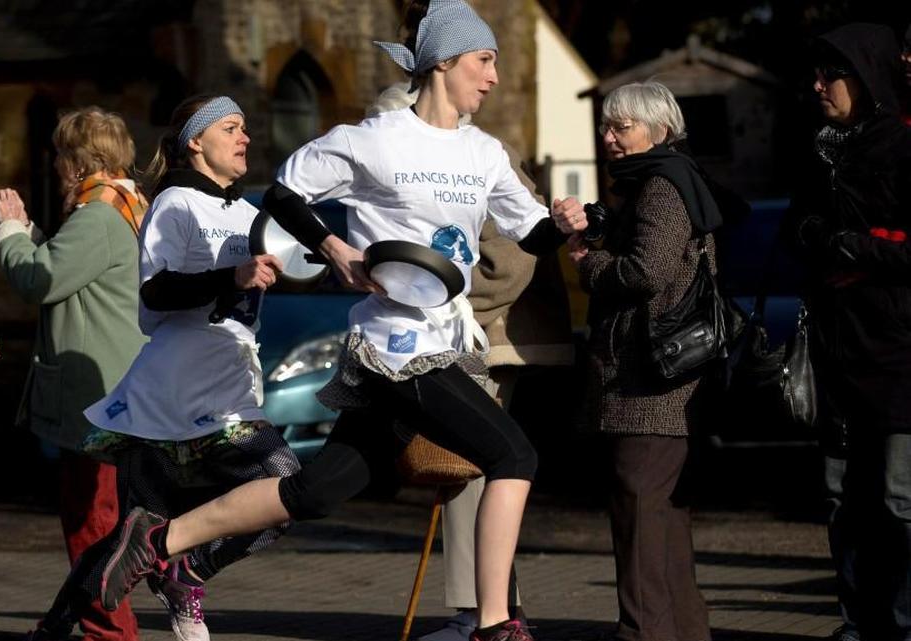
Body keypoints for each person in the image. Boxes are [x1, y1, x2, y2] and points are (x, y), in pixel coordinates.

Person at [78, 2, 586, 640]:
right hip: (395, 346)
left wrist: (562, 226)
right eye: (484, 61)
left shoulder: (485, 154)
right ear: (445, 63)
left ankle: (160, 539)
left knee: (317, 491)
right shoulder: (369, 139)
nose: (492, 77)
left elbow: (530, 234)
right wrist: (335, 249)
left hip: (450, 339)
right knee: (514, 453)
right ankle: (493, 625)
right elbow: (288, 194)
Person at [28, 95, 301, 641]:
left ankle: (184, 573)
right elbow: (155, 291)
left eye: (246, 128)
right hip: (171, 393)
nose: (245, 138)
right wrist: (233, 277)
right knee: (145, 532)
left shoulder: (248, 214)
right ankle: (65, 626)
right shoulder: (174, 203)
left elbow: (306, 258)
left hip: (229, 391)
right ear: (197, 141)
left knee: (275, 499)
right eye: (231, 128)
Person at [359, 84, 575, 641]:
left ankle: (480, 615)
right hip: (459, 337)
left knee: (471, 472)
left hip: (488, 338)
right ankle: (493, 612)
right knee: (479, 471)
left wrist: (440, 303)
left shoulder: (475, 157)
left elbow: (511, 259)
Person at [0, 106, 149, 641]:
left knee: (91, 521)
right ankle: (75, 620)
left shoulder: (98, 214)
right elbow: (70, 265)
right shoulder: (121, 206)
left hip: (93, 395)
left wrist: (10, 234)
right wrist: (30, 229)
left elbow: (43, 279)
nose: (56, 164)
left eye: (61, 154)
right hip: (113, 388)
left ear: (80, 162)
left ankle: (110, 633)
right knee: (104, 518)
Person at [566, 81, 718, 641]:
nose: (609, 138)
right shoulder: (664, 183)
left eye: (621, 127)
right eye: (606, 126)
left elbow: (645, 272)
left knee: (639, 530)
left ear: (658, 129)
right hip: (660, 385)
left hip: (649, 386)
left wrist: (587, 261)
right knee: (662, 530)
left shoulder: (661, 186)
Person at [783, 23, 911, 641]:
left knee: (898, 501)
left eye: (829, 74)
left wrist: (853, 247)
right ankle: (858, 623)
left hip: (896, 357)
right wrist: (816, 237)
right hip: (837, 354)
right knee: (842, 500)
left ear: (865, 75)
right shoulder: (822, 149)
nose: (817, 86)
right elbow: (797, 230)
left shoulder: (905, 147)